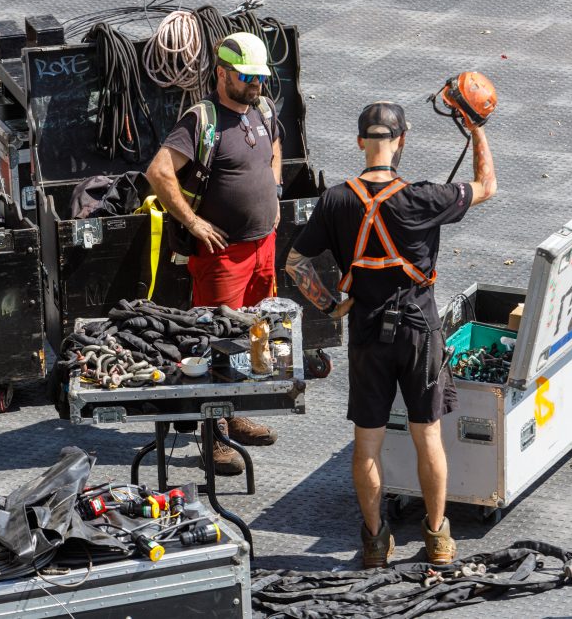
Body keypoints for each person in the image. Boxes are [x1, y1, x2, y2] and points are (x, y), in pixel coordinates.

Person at [285, 101, 496, 567]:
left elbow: (295, 263)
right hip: (420, 333)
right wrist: (476, 129)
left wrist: (330, 304)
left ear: (361, 141)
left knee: (368, 444)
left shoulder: (336, 199)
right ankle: (439, 539)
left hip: (366, 334)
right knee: (428, 438)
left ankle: (375, 543)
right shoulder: (424, 197)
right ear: (401, 141)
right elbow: (487, 185)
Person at [146, 32, 283, 475]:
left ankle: (234, 413)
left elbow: (275, 149)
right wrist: (193, 221)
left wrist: (275, 193)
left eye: (259, 77)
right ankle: (215, 436)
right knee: (214, 338)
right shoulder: (200, 120)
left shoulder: (263, 109)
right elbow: (159, 171)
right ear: (221, 73)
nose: (255, 85)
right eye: (246, 77)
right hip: (223, 256)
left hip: (263, 247)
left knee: (250, 335)